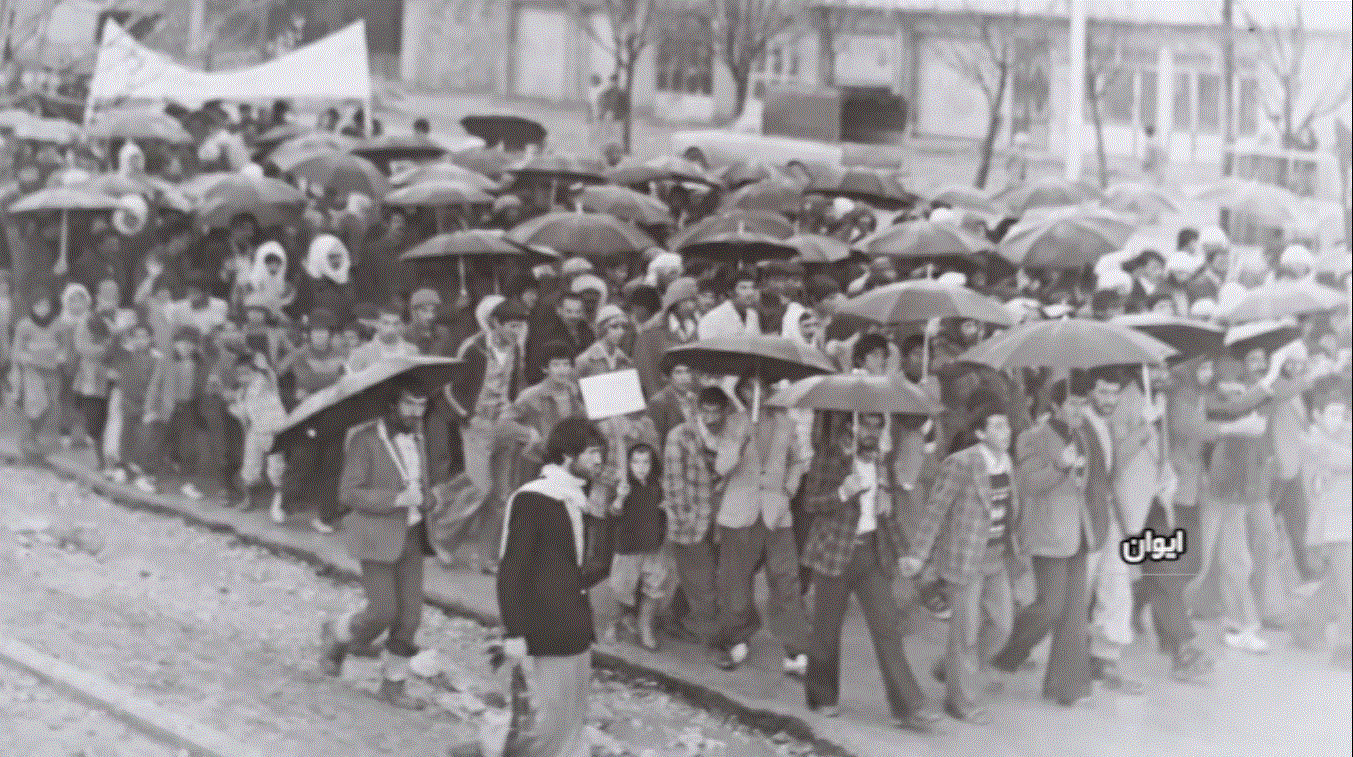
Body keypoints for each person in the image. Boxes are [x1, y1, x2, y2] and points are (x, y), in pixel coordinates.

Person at [801, 412, 941, 733]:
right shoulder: (829, 456)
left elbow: (887, 517)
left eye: (879, 426)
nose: (873, 432)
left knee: (888, 628)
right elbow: (810, 502)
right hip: (834, 554)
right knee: (826, 631)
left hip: (870, 554)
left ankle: (908, 707)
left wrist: (906, 553)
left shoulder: (881, 461)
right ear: (851, 424)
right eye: (866, 424)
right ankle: (821, 697)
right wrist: (842, 492)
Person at [497, 416, 613, 757]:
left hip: (576, 626)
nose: (599, 460)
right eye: (592, 452)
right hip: (545, 627)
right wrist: (514, 631)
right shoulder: (533, 499)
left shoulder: (577, 497)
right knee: (547, 727)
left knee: (572, 720)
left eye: (600, 453)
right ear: (566, 455)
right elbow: (512, 569)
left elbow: (586, 566)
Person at [319, 375, 436, 709]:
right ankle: (338, 633)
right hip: (376, 536)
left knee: (410, 617)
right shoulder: (365, 440)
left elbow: (421, 485)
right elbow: (348, 493)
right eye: (409, 404)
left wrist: (428, 498)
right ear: (392, 404)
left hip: (412, 535)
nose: (416, 412)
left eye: (422, 405)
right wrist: (396, 499)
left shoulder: (419, 437)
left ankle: (393, 685)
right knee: (383, 611)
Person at [901, 391, 1018, 725]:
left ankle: (950, 668)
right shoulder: (962, 463)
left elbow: (1009, 509)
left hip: (996, 556)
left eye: (1007, 425)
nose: (1006, 432)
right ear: (980, 433)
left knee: (1002, 626)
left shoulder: (1006, 463)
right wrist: (918, 555)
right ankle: (960, 703)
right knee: (965, 634)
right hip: (966, 559)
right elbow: (935, 511)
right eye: (997, 426)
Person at [992, 379, 1101, 704]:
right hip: (1048, 532)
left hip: (1078, 532)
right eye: (1073, 404)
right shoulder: (1032, 437)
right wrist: (1060, 466)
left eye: (1083, 403)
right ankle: (1001, 650)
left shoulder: (1082, 434)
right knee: (1050, 607)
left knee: (1074, 612)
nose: (1080, 410)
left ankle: (1066, 686)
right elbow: (1027, 483)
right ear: (1055, 406)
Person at [708, 376, 812, 675]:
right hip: (739, 512)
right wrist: (739, 443)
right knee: (735, 580)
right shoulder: (734, 423)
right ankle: (736, 640)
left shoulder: (787, 423)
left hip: (777, 513)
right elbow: (721, 467)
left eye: (760, 387)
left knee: (786, 580)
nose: (754, 393)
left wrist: (789, 490)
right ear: (741, 392)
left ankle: (796, 649)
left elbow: (797, 462)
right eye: (747, 388)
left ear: (769, 390)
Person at [661, 386, 727, 648]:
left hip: (718, 518)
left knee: (699, 576)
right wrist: (683, 519)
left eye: (716, 412)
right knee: (703, 582)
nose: (710, 418)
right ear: (698, 409)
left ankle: (674, 617)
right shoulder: (680, 436)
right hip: (690, 520)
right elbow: (673, 483)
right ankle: (711, 637)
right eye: (706, 411)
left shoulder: (729, 434)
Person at [1301, 379, 1352, 670]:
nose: (1339, 419)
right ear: (1316, 415)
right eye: (1332, 413)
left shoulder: (1342, 433)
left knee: (1338, 583)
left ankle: (1305, 626)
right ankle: (1346, 651)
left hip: (1345, 522)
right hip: (1333, 526)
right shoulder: (1313, 440)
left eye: (1342, 413)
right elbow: (1341, 459)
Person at [608, 443, 672, 651]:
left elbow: (663, 512)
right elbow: (613, 512)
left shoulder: (657, 486)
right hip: (628, 548)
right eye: (635, 462)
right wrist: (620, 498)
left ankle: (645, 626)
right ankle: (617, 620)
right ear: (628, 464)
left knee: (654, 587)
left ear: (653, 464)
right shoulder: (622, 485)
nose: (641, 467)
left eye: (646, 462)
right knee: (622, 588)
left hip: (653, 547)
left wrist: (666, 507)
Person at [9, 287, 68, 462]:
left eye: (45, 305)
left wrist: (62, 355)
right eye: (38, 305)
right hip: (33, 370)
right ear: (31, 306)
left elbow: (64, 345)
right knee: (36, 403)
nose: (42, 309)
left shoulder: (58, 324)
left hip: (52, 370)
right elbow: (16, 350)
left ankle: (33, 435)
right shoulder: (24, 325)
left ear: (51, 306)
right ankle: (27, 439)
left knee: (50, 404)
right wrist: (24, 356)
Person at [229, 351, 288, 520]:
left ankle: (280, 502)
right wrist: (234, 409)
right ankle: (249, 499)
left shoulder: (263, 381)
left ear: (254, 370)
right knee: (249, 467)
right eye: (240, 374)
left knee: (275, 469)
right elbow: (243, 414)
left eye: (247, 372)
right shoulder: (241, 392)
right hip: (255, 431)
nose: (243, 376)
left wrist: (265, 368)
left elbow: (271, 378)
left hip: (273, 430)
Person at [632, 277, 699, 399]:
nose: (691, 306)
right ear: (674, 303)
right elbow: (647, 375)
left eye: (693, 300)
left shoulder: (695, 327)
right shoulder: (651, 332)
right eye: (685, 301)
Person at [526, 291, 594, 385]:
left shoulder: (587, 332)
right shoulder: (546, 334)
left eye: (578, 312)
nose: (574, 316)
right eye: (569, 311)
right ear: (559, 311)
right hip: (555, 385)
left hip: (584, 383)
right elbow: (535, 370)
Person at [346, 304, 418, 373]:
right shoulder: (361, 354)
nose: (390, 328)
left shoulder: (412, 350)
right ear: (377, 324)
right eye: (385, 323)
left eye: (395, 324)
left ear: (401, 326)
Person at [575, 304, 631, 378]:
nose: (621, 331)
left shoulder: (624, 360)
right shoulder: (585, 360)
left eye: (624, 327)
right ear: (602, 328)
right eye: (614, 326)